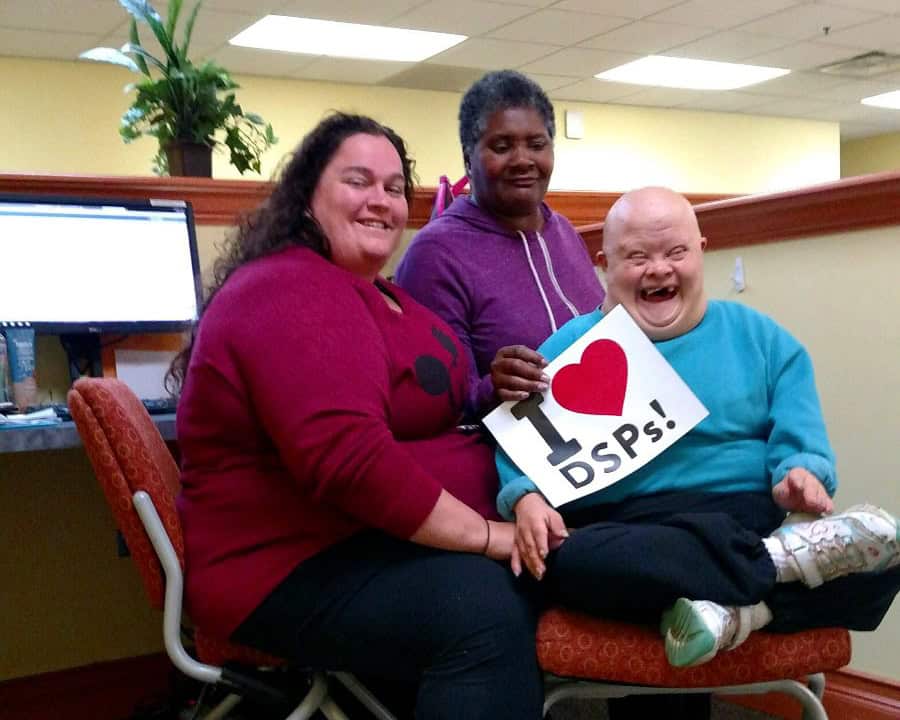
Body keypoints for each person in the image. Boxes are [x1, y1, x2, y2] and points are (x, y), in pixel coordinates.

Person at [172, 113, 544, 720]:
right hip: (285, 566)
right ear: (308, 195)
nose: (381, 201)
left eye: (395, 188)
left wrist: (485, 394)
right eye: (358, 181)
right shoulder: (287, 289)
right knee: (481, 609)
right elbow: (351, 463)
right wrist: (487, 536)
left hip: (365, 542)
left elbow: (429, 402)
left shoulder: (380, 292)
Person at [497, 186, 900, 671]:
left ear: (701, 253)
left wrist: (801, 471)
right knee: (568, 563)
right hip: (619, 527)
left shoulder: (762, 338)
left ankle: (735, 603)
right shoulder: (565, 347)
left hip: (734, 512)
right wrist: (525, 497)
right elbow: (519, 445)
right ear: (604, 264)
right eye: (637, 256)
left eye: (676, 252)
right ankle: (772, 577)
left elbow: (801, 436)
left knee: (891, 559)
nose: (659, 269)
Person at [395, 70, 605, 417]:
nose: (523, 160)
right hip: (504, 462)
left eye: (537, 145)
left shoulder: (564, 232)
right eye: (502, 146)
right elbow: (432, 401)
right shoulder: (436, 253)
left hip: (604, 447)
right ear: (468, 157)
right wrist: (491, 389)